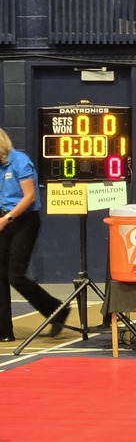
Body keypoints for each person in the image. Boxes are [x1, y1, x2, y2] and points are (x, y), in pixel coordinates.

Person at [0, 128, 68, 343]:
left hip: (24, 220)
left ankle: (56, 309)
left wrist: (7, 218)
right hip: (3, 218)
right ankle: (4, 331)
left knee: (15, 275)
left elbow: (29, 196)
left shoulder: (20, 161)